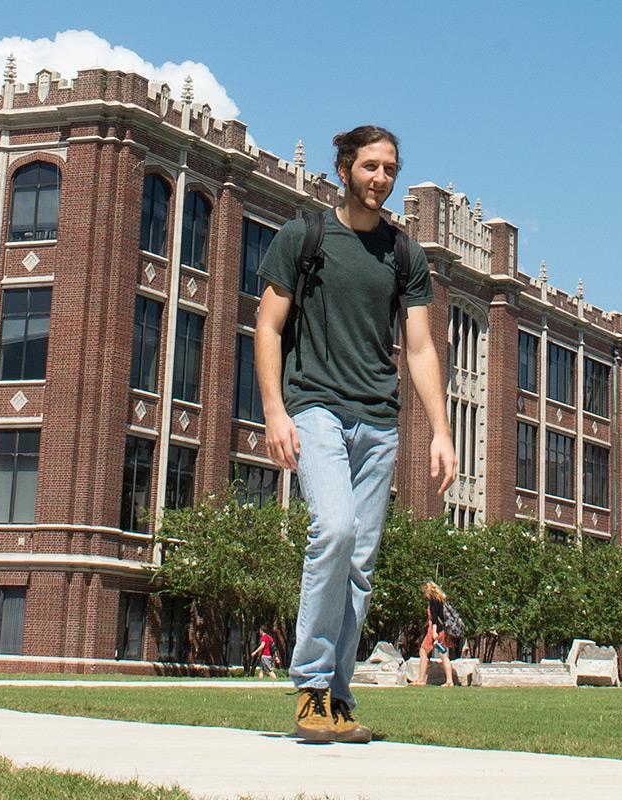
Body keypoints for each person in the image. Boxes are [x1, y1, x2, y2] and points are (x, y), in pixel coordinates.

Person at [256, 125, 454, 745]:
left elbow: (419, 347)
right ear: (344, 170)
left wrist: (441, 431)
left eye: (390, 169)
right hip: (315, 405)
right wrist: (273, 411)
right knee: (334, 530)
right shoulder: (304, 236)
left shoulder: (404, 254)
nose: (382, 179)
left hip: (379, 418)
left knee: (361, 563)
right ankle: (311, 685)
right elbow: (267, 326)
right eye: (371, 167)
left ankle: (338, 698)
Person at [419, 582, 459, 687]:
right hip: (445, 631)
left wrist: (434, 632)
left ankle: (421, 680)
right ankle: (449, 681)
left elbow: (435, 618)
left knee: (423, 651)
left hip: (435, 630)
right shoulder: (441, 600)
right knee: (444, 655)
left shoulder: (433, 601)